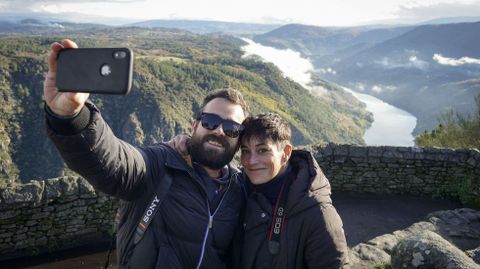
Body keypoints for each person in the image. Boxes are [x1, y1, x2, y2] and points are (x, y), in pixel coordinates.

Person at [44, 39, 249, 268]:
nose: (219, 131)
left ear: (239, 140)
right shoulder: (159, 166)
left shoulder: (240, 189)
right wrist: (72, 117)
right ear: (194, 126)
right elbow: (112, 161)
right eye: (210, 121)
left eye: (231, 128)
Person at [236, 113, 349, 268]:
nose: (250, 161)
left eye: (262, 150)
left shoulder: (318, 214)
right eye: (245, 150)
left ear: (286, 153)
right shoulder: (237, 189)